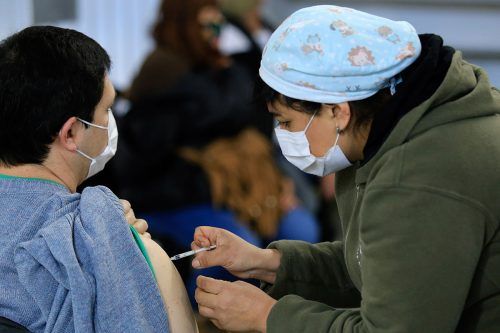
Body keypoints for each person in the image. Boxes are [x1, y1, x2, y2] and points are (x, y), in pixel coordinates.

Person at [189, 5, 500, 333]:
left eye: (286, 122)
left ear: (338, 111)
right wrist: (266, 264)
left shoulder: (420, 175)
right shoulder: (388, 134)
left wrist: (266, 316)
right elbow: (385, 264)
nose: (284, 137)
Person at [115, 0, 320, 305]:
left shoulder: (221, 63)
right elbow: (150, 154)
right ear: (185, 21)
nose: (216, 28)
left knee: (301, 229)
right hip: (178, 195)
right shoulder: (163, 68)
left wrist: (259, 183)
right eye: (206, 21)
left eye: (218, 21)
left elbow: (250, 118)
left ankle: (283, 312)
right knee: (231, 252)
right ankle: (197, 314)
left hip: (234, 187)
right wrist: (220, 174)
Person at [0, 26, 197, 332]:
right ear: (71, 133)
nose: (111, 121)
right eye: (106, 109)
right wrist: (122, 238)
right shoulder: (108, 242)